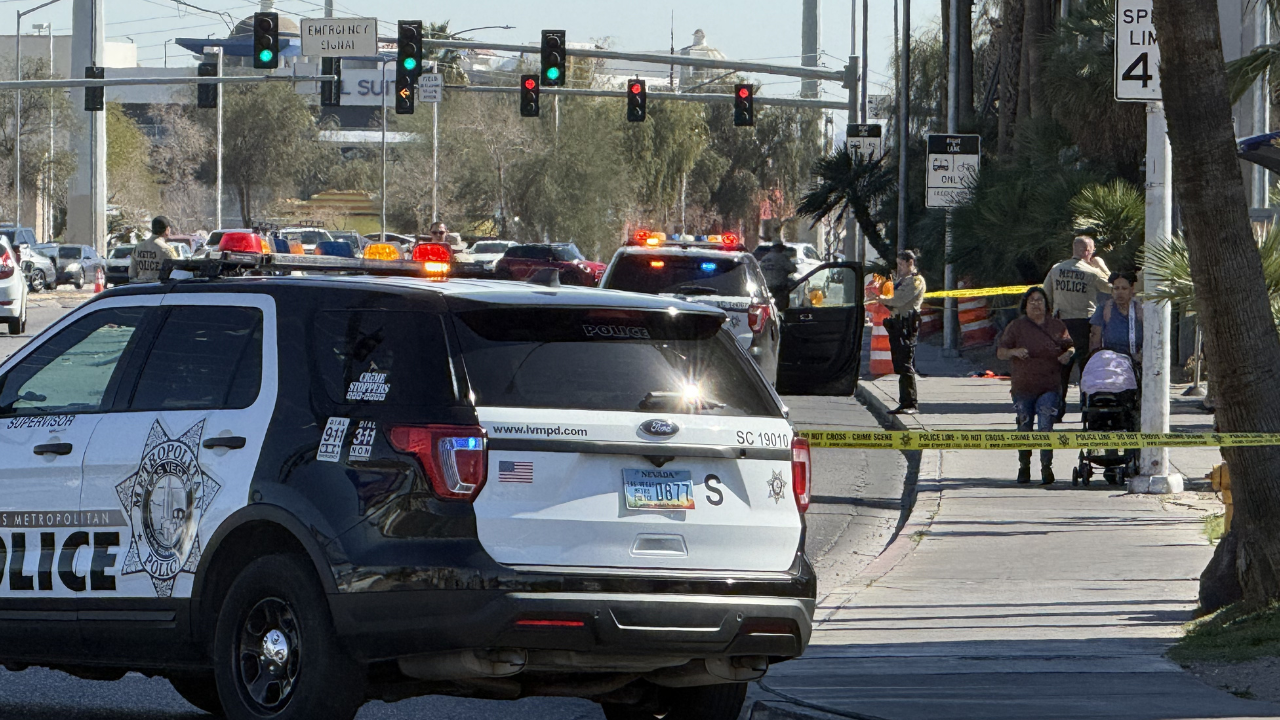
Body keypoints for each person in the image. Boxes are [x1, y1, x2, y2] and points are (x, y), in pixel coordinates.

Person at [997, 287, 1075, 484]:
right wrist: (1014, 352)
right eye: (1031, 300)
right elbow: (1001, 352)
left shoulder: (1056, 325)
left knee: (1045, 426)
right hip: (1023, 387)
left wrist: (1068, 354)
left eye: (1039, 300)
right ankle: (1024, 466)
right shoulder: (1016, 326)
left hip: (1050, 385)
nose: (1035, 304)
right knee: (1024, 427)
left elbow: (1071, 347)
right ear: (1025, 305)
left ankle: (1046, 467)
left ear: (1046, 304)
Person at [1043, 236, 1112, 416]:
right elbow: (1112, 287)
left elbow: (1046, 295)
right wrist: (1101, 266)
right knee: (1086, 368)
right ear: (1088, 251)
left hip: (1060, 324)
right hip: (1084, 324)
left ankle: (1056, 410)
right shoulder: (1091, 272)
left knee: (1061, 370)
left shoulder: (1056, 269)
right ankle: (1086, 409)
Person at [880, 250, 926, 415]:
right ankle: (904, 402)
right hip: (897, 324)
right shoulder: (901, 280)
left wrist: (880, 298)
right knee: (899, 363)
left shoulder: (915, 281)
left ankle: (910, 403)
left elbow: (898, 300)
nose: (899, 267)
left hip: (907, 325)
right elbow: (891, 299)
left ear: (910, 263)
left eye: (901, 264)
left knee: (906, 364)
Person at [1090, 270, 1143, 361]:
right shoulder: (1104, 309)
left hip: (1136, 360)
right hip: (1109, 360)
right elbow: (1095, 337)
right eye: (1116, 288)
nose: (1120, 292)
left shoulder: (1140, 310)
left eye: (1124, 288)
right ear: (1112, 291)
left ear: (1132, 290)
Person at [129, 215, 178, 284]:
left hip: (140, 287)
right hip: (158, 287)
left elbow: (132, 273)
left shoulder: (138, 247)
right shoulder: (166, 249)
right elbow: (176, 272)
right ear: (167, 230)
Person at [759, 240, 798, 310]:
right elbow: (793, 269)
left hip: (766, 286)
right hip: (779, 287)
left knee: (768, 306)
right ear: (779, 248)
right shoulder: (782, 257)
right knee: (781, 307)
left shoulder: (765, 258)